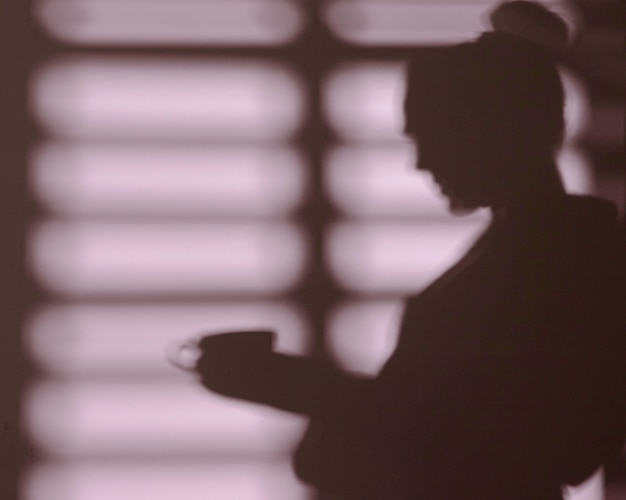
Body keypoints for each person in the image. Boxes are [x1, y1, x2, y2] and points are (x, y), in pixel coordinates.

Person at [193, 2, 626, 498]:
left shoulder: (562, 258)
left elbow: (526, 442)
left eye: (432, 135)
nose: (420, 162)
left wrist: (313, 389)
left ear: (494, 129)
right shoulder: (543, 247)